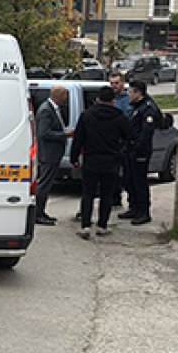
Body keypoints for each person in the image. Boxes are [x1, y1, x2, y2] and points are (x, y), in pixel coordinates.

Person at [70, 86, 134, 239]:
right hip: (111, 161)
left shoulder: (87, 116)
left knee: (88, 194)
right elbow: (130, 137)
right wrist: (120, 149)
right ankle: (102, 225)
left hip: (91, 160)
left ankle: (85, 226)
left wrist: (74, 158)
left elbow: (78, 139)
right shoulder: (120, 117)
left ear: (98, 99)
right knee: (107, 195)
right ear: (113, 100)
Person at [119, 80, 160, 225]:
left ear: (138, 93)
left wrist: (137, 149)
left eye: (130, 92)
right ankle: (133, 207)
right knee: (129, 180)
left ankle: (143, 212)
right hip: (130, 149)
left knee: (139, 182)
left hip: (140, 152)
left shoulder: (148, 109)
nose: (128, 95)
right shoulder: (137, 107)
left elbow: (146, 133)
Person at [35, 85, 73, 225]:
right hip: (48, 153)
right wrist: (65, 134)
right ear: (57, 95)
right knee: (44, 184)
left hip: (53, 153)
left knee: (47, 183)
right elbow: (44, 133)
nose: (65, 99)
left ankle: (41, 211)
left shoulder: (54, 109)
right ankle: (38, 214)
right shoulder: (46, 110)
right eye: (64, 96)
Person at [109, 71, 131, 208]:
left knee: (128, 175)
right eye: (111, 83)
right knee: (112, 173)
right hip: (111, 141)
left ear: (122, 83)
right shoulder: (109, 98)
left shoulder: (128, 98)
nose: (114, 86)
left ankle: (131, 202)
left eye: (116, 83)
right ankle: (114, 198)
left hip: (124, 141)